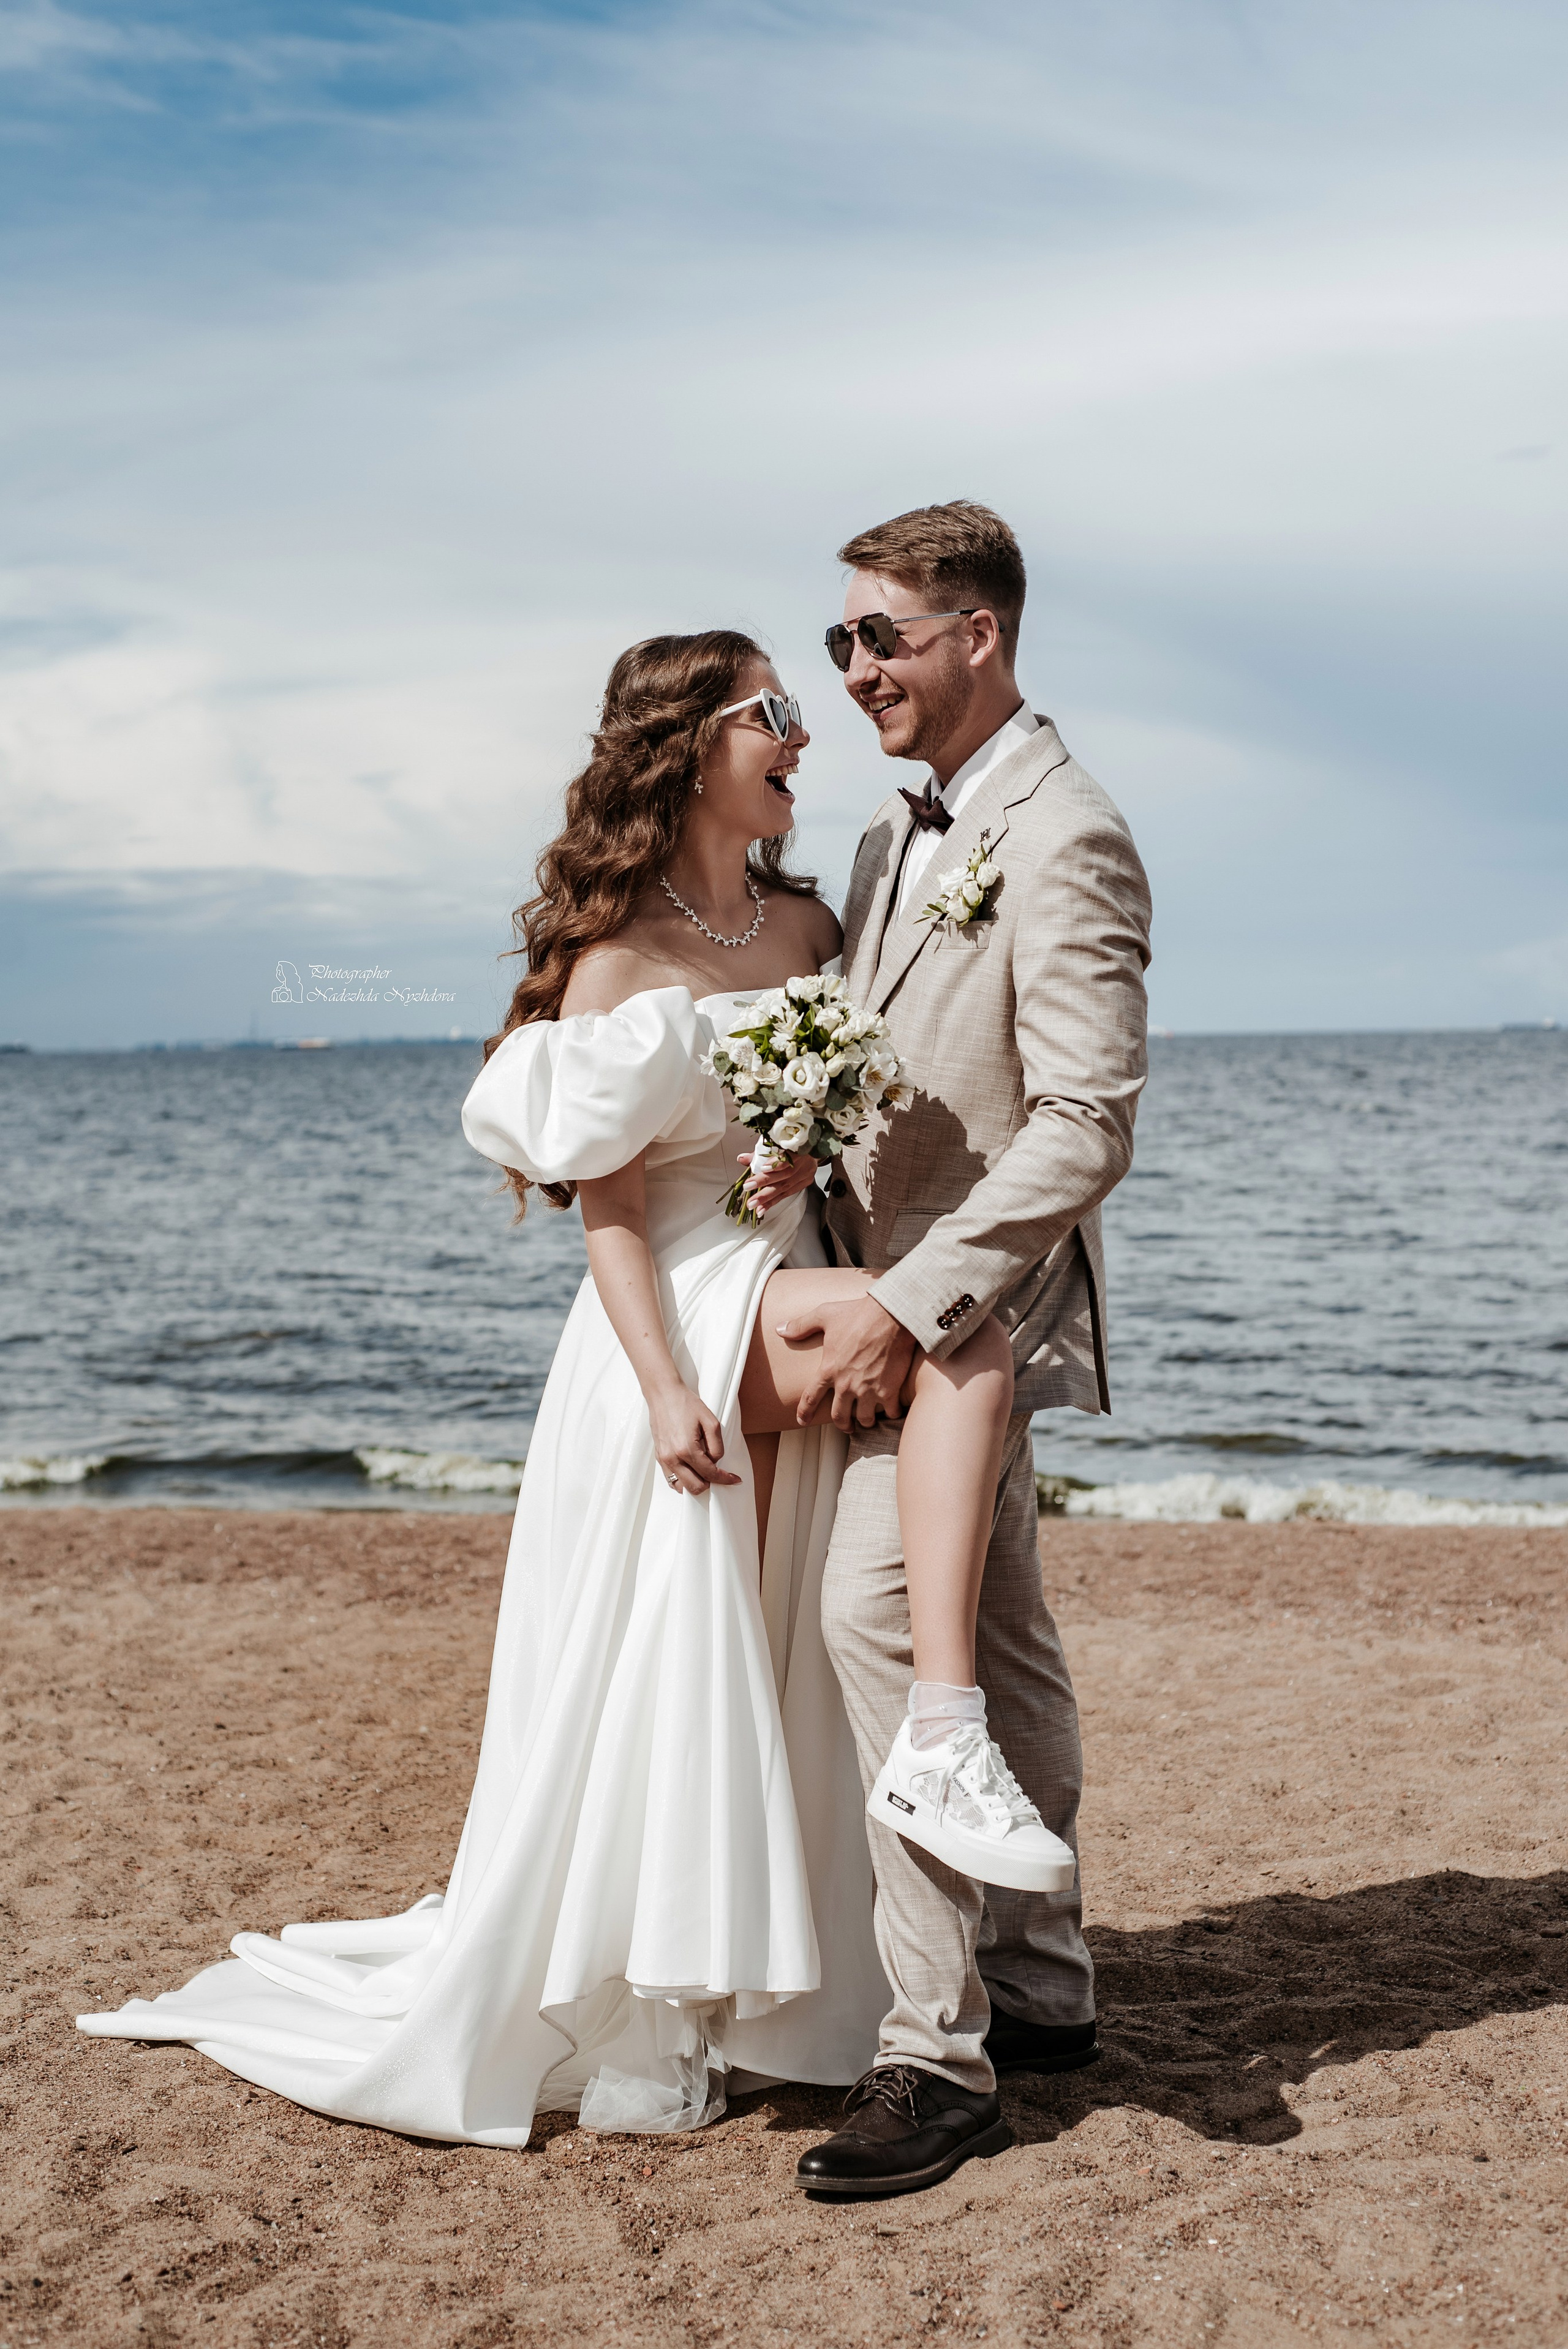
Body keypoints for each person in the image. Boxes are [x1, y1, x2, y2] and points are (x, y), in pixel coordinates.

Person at [75, 626, 1060, 2150]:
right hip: (670, 1321)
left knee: (746, 1669)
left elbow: (837, 1122)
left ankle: (812, 1933)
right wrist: (667, 1386)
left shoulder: (811, 931)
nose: (802, 736)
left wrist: (804, 1149)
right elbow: (608, 1208)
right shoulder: (617, 963)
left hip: (776, 1278)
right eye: (773, 713)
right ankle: (851, 1822)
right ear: (689, 747)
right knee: (930, 1348)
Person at [788, 502, 1153, 2198]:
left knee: (884, 1615)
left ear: (978, 635)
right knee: (997, 1622)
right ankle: (1045, 1981)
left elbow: (1083, 1124)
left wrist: (912, 1298)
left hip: (969, 1316)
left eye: (881, 636)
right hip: (876, 1291)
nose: (852, 667)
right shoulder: (882, 840)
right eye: (843, 639)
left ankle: (935, 2053)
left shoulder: (1066, 830)